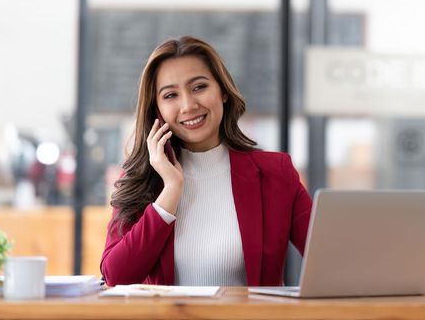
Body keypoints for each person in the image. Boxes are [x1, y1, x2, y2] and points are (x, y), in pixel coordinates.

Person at [100, 36, 312, 287]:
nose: (188, 105)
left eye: (199, 87)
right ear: (156, 109)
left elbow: (332, 258)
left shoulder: (276, 173)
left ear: (222, 90)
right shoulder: (140, 181)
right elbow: (116, 276)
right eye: (170, 95)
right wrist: (170, 192)